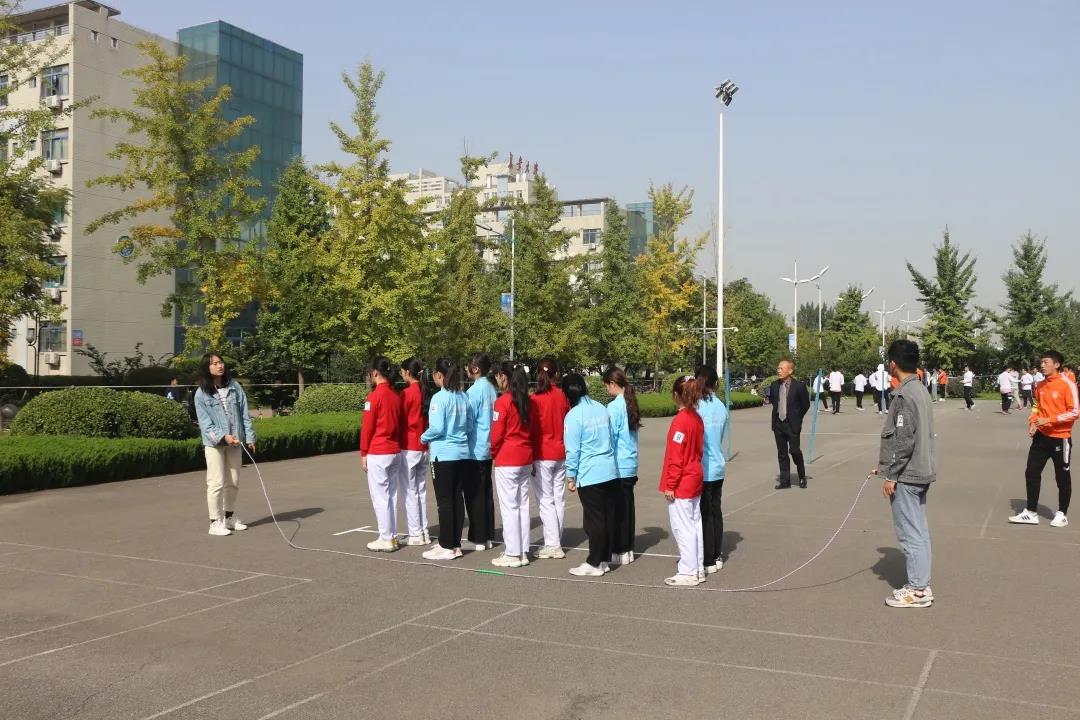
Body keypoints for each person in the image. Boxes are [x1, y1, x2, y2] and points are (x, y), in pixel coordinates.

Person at [874, 339, 936, 608]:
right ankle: (921, 584)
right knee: (918, 531)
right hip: (919, 469)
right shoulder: (920, 389)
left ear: (893, 363)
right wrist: (885, 467)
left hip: (908, 475)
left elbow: (904, 439)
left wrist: (892, 474)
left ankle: (918, 590)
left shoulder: (905, 394)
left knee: (910, 534)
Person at [1008, 351, 1078, 528]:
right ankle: (1031, 512)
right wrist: (1033, 422)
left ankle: (1062, 513)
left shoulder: (1067, 384)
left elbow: (1075, 412)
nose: (1042, 365)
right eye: (1041, 362)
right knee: (1031, 472)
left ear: (1057, 364)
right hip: (1041, 437)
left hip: (1060, 438)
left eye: (1046, 362)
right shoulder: (1040, 385)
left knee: (1062, 476)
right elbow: (1036, 407)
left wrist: (1050, 419)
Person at [562, 373, 621, 577]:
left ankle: (594, 562)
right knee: (606, 517)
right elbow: (611, 438)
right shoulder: (601, 408)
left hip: (590, 473)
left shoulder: (573, 416)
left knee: (594, 520)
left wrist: (571, 476)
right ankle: (603, 559)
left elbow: (572, 450)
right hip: (609, 470)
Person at [194, 353, 256, 537]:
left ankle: (229, 517)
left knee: (233, 481)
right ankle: (214, 522)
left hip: (235, 442)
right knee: (216, 483)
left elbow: (244, 413)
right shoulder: (201, 393)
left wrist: (250, 437)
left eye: (220, 362)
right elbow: (205, 424)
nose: (219, 366)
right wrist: (223, 437)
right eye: (214, 364)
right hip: (214, 444)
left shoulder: (234, 386)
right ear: (207, 368)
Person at [421, 358, 474, 561]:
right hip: (462, 453)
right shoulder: (463, 396)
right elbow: (470, 426)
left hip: (443, 455)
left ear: (439, 375)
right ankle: (454, 544)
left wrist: (422, 437)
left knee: (445, 501)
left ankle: (447, 546)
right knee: (456, 499)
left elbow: (437, 428)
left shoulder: (439, 398)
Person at [660, 375, 706, 586]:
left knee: (683, 527)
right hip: (694, 475)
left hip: (683, 480)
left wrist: (670, 485)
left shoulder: (680, 421)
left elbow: (676, 457)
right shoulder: (696, 417)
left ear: (676, 395)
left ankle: (688, 571)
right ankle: (696, 567)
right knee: (695, 524)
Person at [489, 362, 536, 568]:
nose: (496, 380)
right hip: (525, 456)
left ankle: (513, 552)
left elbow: (497, 434)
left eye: (497, 376)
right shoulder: (528, 401)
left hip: (508, 458)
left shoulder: (503, 402)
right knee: (522, 506)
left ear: (503, 376)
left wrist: (493, 453)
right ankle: (522, 551)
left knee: (509, 507)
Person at [360, 357, 405, 552]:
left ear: (375, 373)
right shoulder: (396, 395)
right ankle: (391, 536)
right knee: (391, 496)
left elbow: (367, 428)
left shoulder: (374, 397)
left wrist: (363, 452)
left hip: (378, 451)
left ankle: (386, 538)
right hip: (394, 450)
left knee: (380, 497)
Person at [531, 357, 571, 559]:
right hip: (560, 452)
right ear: (556, 374)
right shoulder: (562, 396)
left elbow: (531, 429)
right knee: (558, 499)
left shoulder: (535, 398)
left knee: (545, 500)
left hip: (542, 454)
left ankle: (553, 544)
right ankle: (556, 539)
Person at [604, 367, 641, 567]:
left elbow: (611, 437)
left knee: (618, 510)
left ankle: (619, 549)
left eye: (606, 385)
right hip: (631, 461)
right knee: (628, 508)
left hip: (619, 464)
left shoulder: (614, 407)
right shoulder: (630, 402)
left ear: (612, 383)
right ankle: (628, 548)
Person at [695, 365, 729, 574]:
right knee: (715, 512)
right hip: (717, 465)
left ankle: (707, 558)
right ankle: (716, 554)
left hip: (704, 467)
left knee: (705, 514)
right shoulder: (720, 406)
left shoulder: (697, 406)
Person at [465, 353, 498, 551]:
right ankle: (488, 535)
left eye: (468, 366)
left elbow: (469, 422)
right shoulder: (492, 389)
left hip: (475, 447)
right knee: (486, 493)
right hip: (489, 445)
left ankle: (478, 537)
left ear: (476, 369)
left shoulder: (473, 391)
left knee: (474, 494)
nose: (466, 369)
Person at [398, 358, 431, 546]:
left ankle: (415, 533)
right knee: (421, 491)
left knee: (410, 492)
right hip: (423, 446)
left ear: (408, 373)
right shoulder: (425, 391)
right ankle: (424, 531)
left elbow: (400, 419)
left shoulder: (407, 393)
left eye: (402, 371)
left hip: (409, 446)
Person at [769, 359, 811, 489]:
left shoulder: (799, 386)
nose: (778, 371)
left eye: (781, 368)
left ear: (790, 371)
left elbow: (805, 404)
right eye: (778, 368)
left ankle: (802, 476)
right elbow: (774, 402)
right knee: (782, 453)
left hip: (792, 424)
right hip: (778, 424)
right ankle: (785, 481)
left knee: (794, 451)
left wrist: (797, 417)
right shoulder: (774, 385)